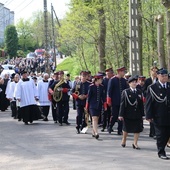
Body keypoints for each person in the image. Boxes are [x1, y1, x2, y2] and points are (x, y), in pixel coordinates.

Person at [145, 68, 170, 160]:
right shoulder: (152, 88)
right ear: (158, 76)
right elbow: (149, 103)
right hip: (158, 115)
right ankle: (161, 151)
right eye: (162, 76)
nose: (164, 78)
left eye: (166, 76)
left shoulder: (169, 86)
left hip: (169, 115)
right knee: (161, 135)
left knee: (167, 134)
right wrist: (148, 115)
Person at [119, 77, 144, 149]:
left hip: (137, 113)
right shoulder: (126, 92)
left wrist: (143, 114)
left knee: (137, 129)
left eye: (135, 82)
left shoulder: (139, 92)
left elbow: (141, 104)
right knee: (126, 128)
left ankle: (135, 143)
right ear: (129, 83)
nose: (134, 83)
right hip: (128, 113)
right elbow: (122, 104)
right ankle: (124, 139)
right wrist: (121, 114)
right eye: (132, 82)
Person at [107, 66, 129, 135]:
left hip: (122, 101)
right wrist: (109, 100)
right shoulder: (112, 80)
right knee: (114, 115)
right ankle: (110, 126)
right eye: (123, 72)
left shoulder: (123, 80)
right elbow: (109, 91)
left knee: (121, 115)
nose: (124, 73)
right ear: (119, 72)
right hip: (114, 100)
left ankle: (120, 129)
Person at [85, 74, 107, 139]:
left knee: (96, 119)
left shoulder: (102, 87)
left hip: (99, 105)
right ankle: (97, 132)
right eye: (101, 79)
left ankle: (93, 132)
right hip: (92, 105)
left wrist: (105, 106)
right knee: (94, 118)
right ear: (97, 79)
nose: (102, 80)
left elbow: (103, 97)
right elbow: (88, 97)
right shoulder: (91, 86)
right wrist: (87, 106)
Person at [143, 66, 158, 139]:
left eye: (156, 71)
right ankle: (152, 132)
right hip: (149, 100)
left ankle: (155, 132)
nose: (155, 73)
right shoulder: (148, 81)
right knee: (150, 116)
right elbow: (144, 90)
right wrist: (149, 92)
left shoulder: (158, 80)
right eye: (153, 71)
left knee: (155, 117)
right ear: (151, 72)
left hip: (157, 100)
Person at [101, 68, 114, 132]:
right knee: (104, 113)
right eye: (108, 73)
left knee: (110, 113)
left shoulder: (113, 80)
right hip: (105, 99)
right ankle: (103, 125)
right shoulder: (104, 80)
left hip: (111, 98)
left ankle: (109, 126)